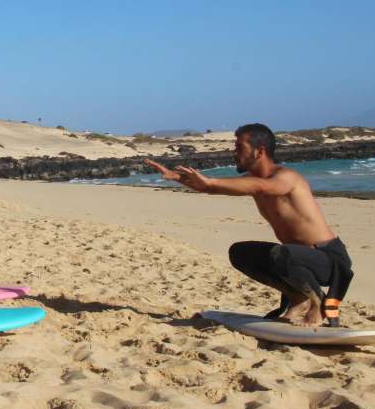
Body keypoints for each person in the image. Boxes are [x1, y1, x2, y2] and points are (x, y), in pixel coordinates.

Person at [145, 123, 353, 327]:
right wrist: (176, 177)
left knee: (281, 254)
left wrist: (210, 182)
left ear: (259, 151)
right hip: (294, 260)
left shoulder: (286, 177)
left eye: (239, 148)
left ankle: (318, 303)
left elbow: (263, 187)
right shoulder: (251, 181)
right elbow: (213, 188)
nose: (234, 153)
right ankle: (298, 297)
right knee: (240, 252)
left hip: (327, 259)